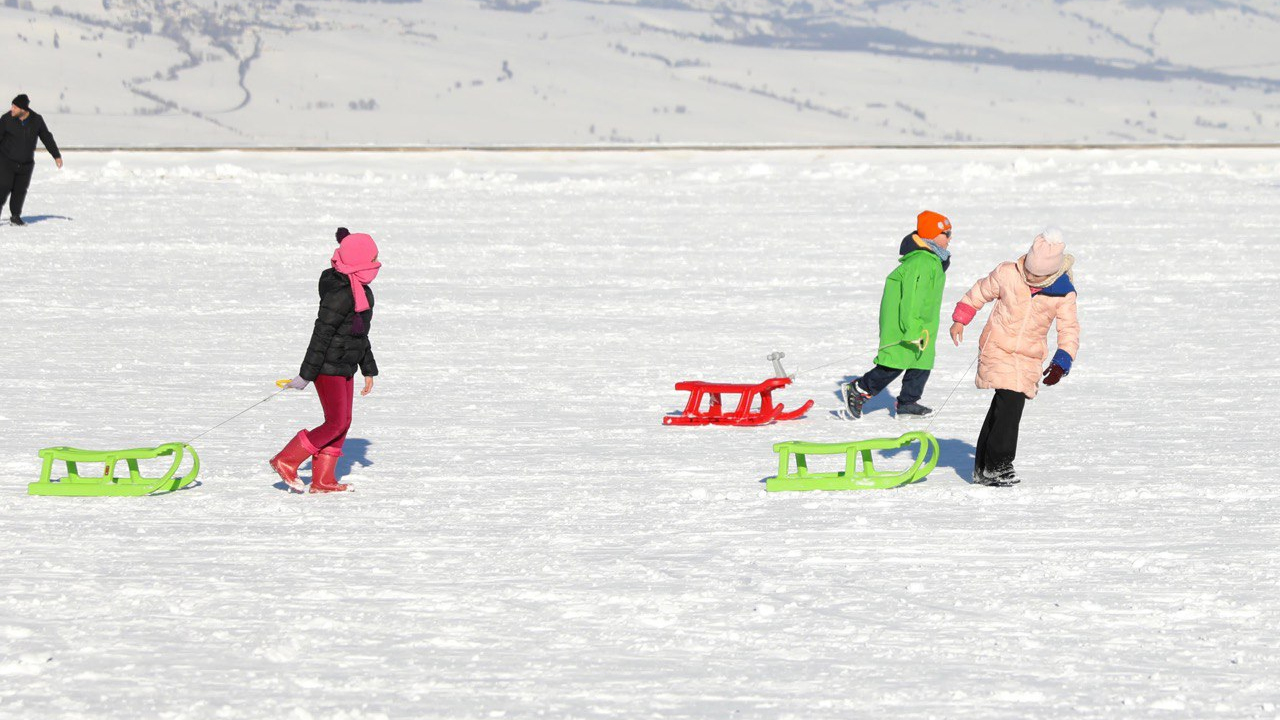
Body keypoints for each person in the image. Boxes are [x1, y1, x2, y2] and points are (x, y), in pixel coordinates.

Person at [949, 228, 1080, 486]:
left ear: (1051, 273)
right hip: (997, 346)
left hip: (1029, 355)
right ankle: (998, 465)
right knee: (1010, 402)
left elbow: (1069, 328)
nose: (1030, 277)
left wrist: (1061, 361)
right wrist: (960, 319)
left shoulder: (1063, 292)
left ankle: (983, 467)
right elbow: (980, 292)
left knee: (1003, 405)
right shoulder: (1009, 273)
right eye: (1029, 271)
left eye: (1037, 275)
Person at [270, 230, 381, 493]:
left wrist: (368, 368)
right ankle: (286, 459)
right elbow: (321, 334)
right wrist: (306, 374)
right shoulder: (340, 293)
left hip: (346, 365)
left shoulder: (361, 291)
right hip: (327, 366)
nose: (377, 263)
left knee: (343, 422)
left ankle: (323, 481)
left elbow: (359, 335)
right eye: (373, 258)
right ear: (359, 260)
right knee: (335, 422)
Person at [843, 210, 953, 419]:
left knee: (921, 362)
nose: (950, 238)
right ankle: (859, 389)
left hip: (924, 322)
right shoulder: (922, 261)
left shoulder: (933, 260)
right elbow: (911, 299)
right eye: (945, 233)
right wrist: (912, 328)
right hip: (907, 322)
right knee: (895, 361)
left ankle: (908, 402)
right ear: (931, 235)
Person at [0, 94, 62, 226]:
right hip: (6, 161)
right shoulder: (6, 119)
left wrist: (56, 155)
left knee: (20, 191)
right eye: (12, 106)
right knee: (3, 188)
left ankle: (15, 216)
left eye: (15, 107)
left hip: (26, 164)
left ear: (23, 109)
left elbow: (46, 137)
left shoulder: (37, 120)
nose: (12, 109)